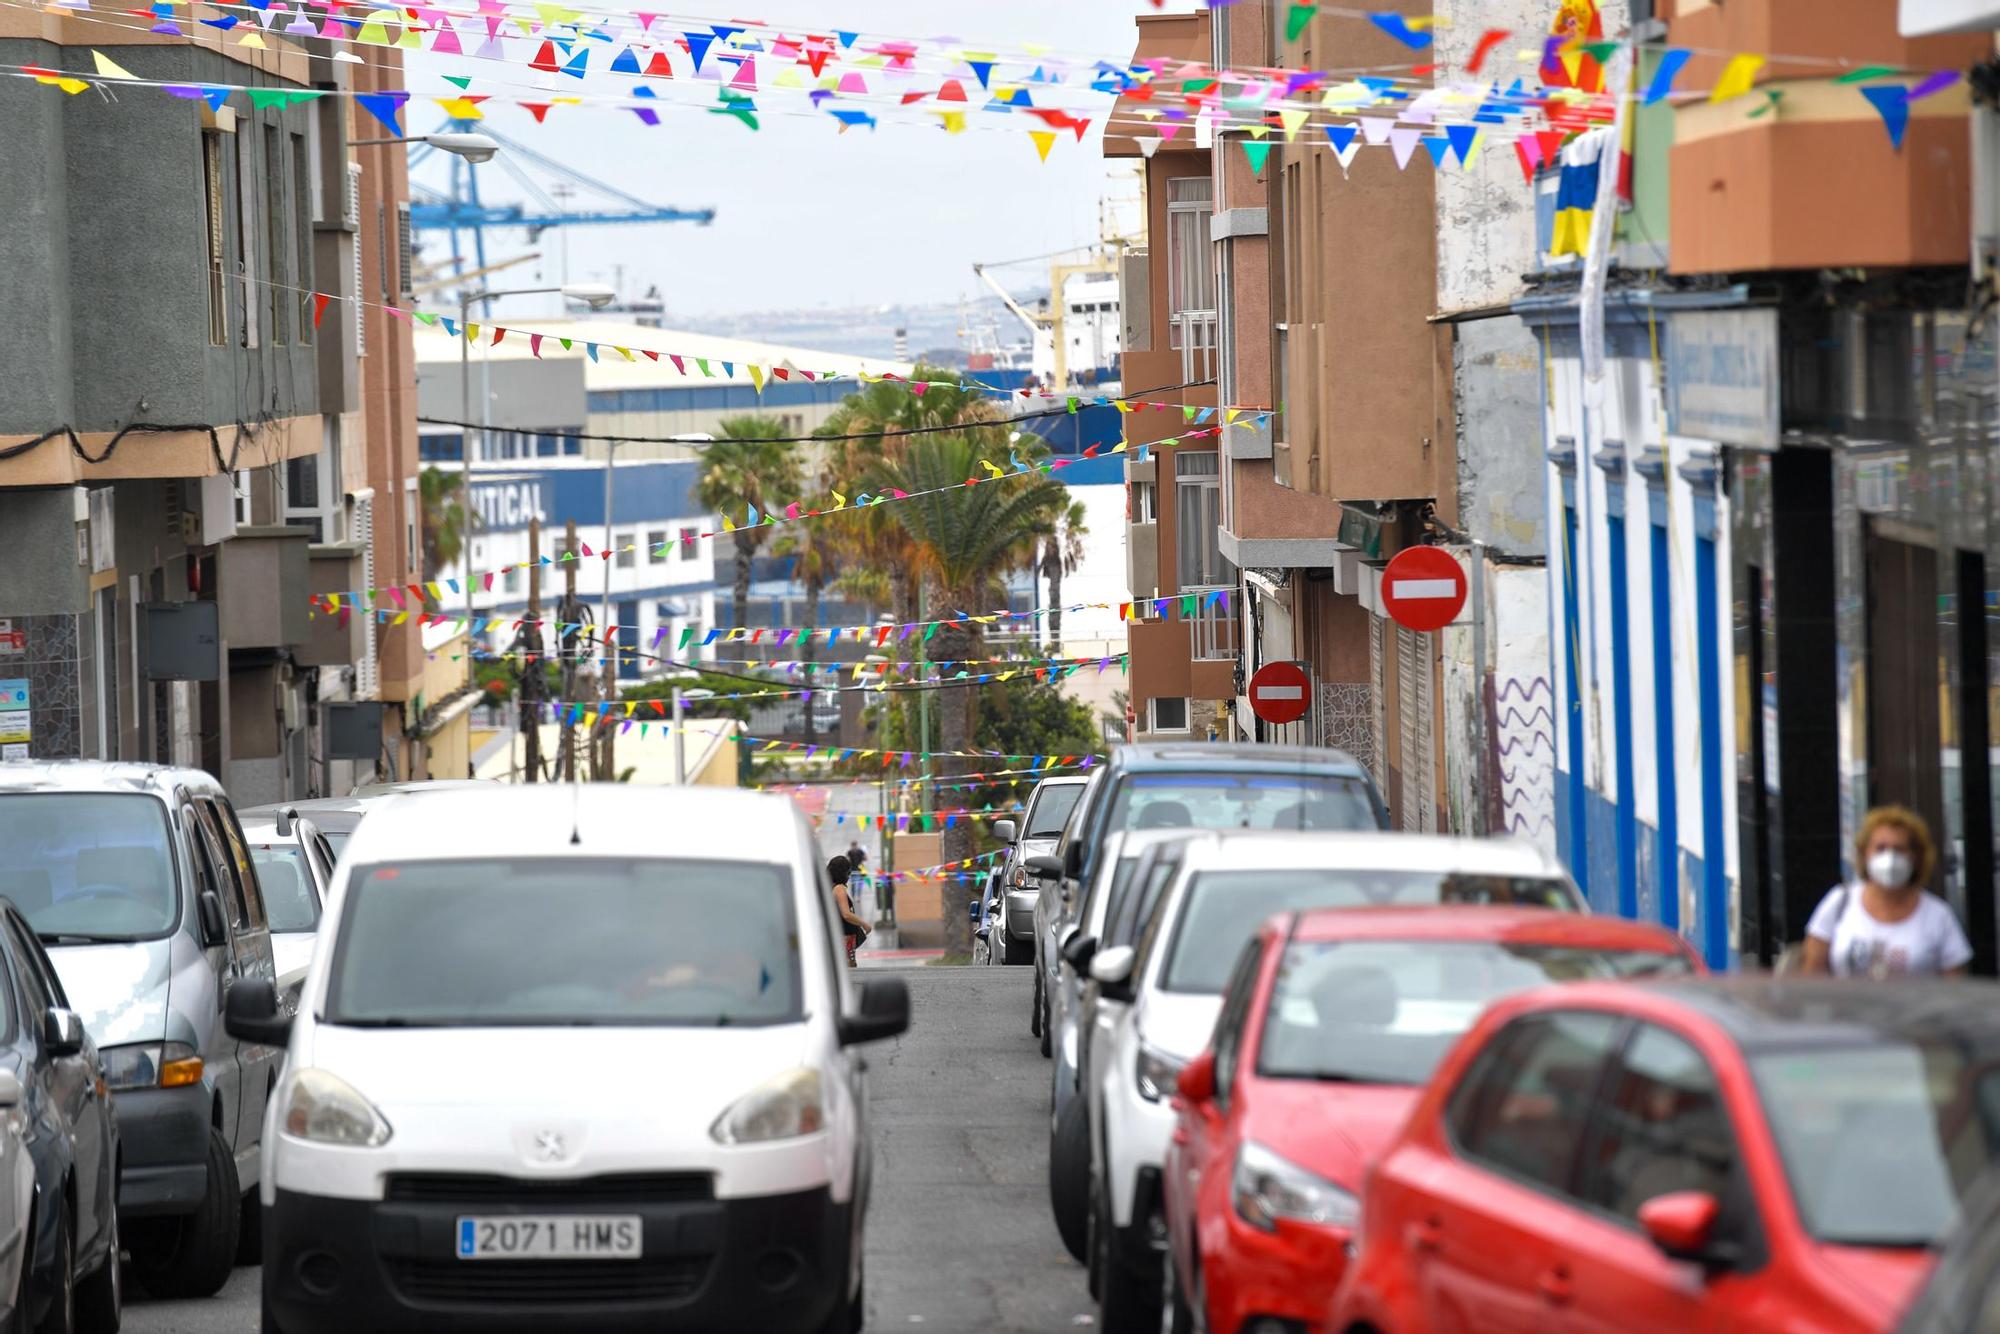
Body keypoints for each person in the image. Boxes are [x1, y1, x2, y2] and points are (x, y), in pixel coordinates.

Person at [1801, 805, 1971, 979]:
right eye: (1880, 848)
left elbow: (1956, 985)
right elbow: (1813, 971)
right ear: (1865, 853)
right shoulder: (1840, 902)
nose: (1890, 858)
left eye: (1899, 849)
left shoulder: (1937, 916)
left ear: (1916, 857)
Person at [828, 855, 870, 967]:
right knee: (849, 967)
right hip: (845, 939)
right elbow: (846, 914)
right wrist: (864, 924)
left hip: (838, 936)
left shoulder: (831, 887)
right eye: (848, 871)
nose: (850, 874)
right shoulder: (839, 888)